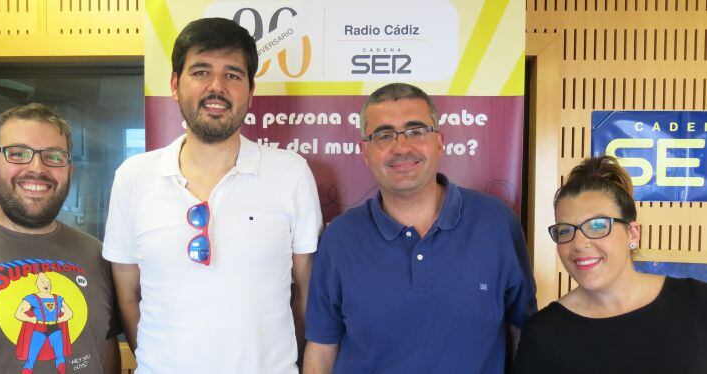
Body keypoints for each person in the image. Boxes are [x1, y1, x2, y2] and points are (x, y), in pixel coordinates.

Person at [102, 17, 323, 373]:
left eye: (233, 75)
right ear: (175, 85)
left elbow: (307, 295)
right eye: (201, 72)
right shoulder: (133, 177)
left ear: (251, 91)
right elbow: (128, 297)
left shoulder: (291, 173)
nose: (216, 87)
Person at [303, 83, 536, 373]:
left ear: (440, 141)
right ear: (365, 151)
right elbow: (322, 349)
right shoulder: (339, 239)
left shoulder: (497, 223)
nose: (402, 148)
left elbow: (524, 331)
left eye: (416, 131)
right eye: (384, 135)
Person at [0, 103, 120, 374]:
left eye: (54, 156)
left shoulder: (97, 255)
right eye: (18, 153)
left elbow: (105, 355)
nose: (37, 168)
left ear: (69, 170)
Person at [513, 155, 707, 374]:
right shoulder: (543, 334)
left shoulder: (697, 301)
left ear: (633, 233)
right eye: (565, 231)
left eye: (597, 225)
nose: (579, 244)